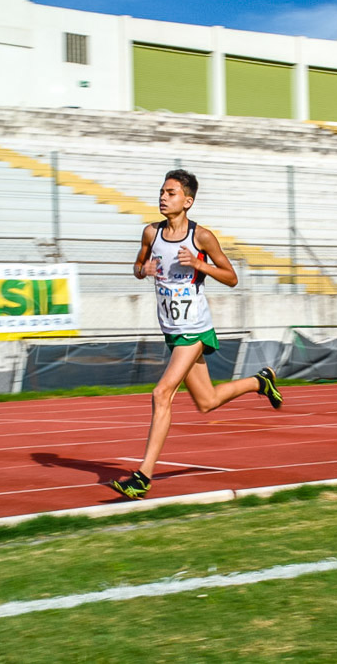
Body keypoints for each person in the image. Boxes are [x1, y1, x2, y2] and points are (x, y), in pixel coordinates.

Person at [110, 169, 283, 500]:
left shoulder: (200, 237)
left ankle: (142, 477)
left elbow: (231, 277)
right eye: (162, 191)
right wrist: (141, 270)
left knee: (161, 394)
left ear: (187, 201)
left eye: (171, 193)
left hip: (195, 329)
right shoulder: (151, 233)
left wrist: (200, 265)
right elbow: (137, 266)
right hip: (172, 330)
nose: (163, 197)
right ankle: (260, 382)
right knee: (208, 402)